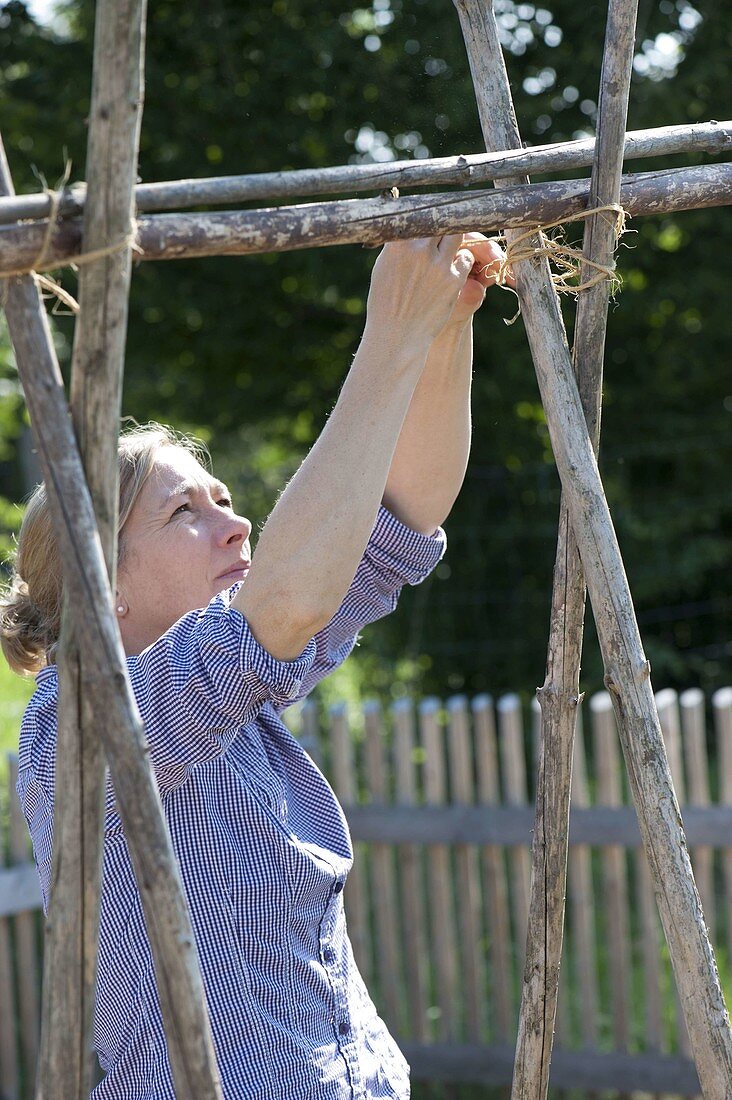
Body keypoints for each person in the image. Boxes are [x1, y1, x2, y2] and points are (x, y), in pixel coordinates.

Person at [1, 233, 506, 1099]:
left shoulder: (235, 697)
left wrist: (441, 326)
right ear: (100, 584)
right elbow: (288, 601)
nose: (235, 527)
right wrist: (388, 328)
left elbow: (400, 521)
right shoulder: (82, 724)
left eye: (226, 500)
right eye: (183, 513)